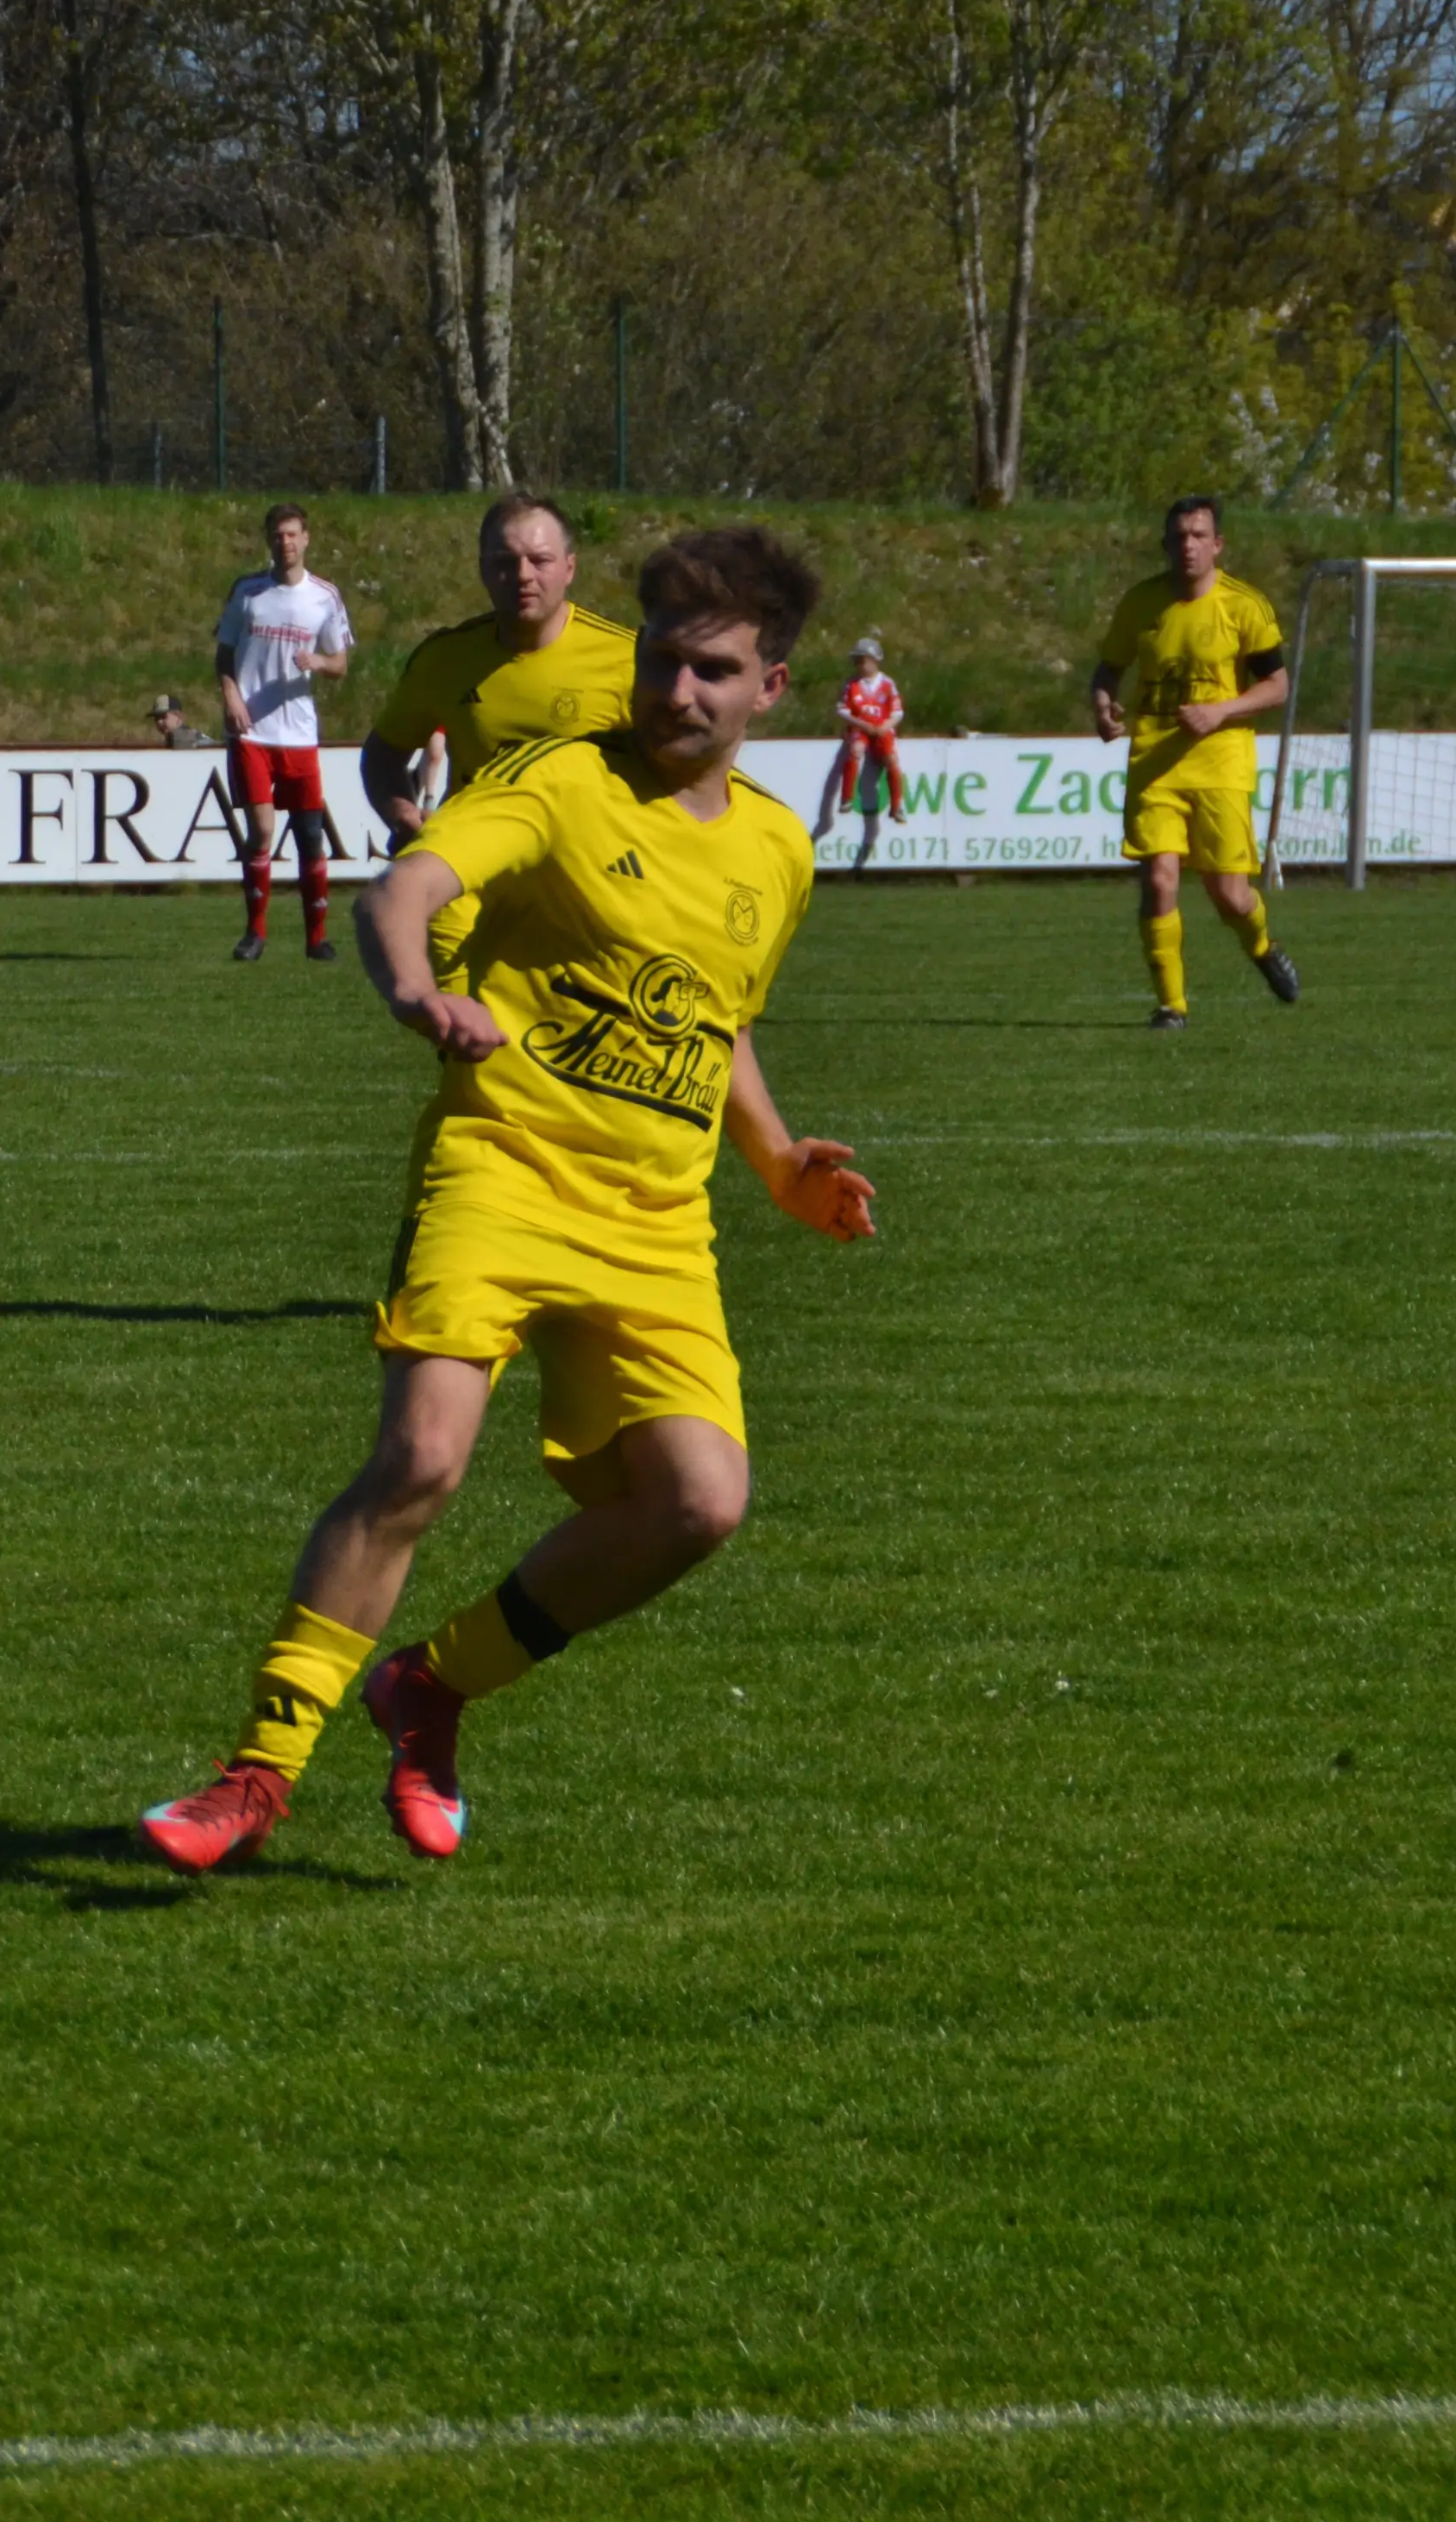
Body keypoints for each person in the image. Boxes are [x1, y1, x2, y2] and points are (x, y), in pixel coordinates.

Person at [140, 526, 879, 1874]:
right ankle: (257, 1772)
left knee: (701, 1504)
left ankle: (435, 1685)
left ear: (771, 689)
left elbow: (717, 1025)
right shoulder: (562, 780)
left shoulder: (778, 851)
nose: (677, 693)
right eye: (662, 661)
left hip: (655, 1216)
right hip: (505, 1162)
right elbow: (409, 888)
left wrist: (776, 1163)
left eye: (713, 672)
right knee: (422, 1457)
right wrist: (419, 990)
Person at [355, 492, 640, 988]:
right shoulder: (445, 659)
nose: (524, 575)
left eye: (540, 560)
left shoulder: (629, 660)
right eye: (505, 562)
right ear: (484, 571)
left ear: (570, 568)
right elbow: (384, 751)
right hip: (467, 894)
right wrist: (404, 816)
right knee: (467, 1043)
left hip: (589, 894)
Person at [1090, 496, 1300, 1027]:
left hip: (1220, 763)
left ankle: (1260, 947)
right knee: (1160, 881)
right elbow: (1108, 669)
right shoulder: (1142, 604)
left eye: (1199, 535)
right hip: (1155, 762)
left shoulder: (1243, 606)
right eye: (1179, 536)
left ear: (1217, 545)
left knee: (1228, 895)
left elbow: (1277, 685)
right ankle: (1171, 1007)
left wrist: (1222, 710)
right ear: (1165, 545)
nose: (1189, 545)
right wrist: (1103, 704)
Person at [212, 504, 355, 960]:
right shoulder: (249, 591)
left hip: (298, 734)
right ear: (269, 540)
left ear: (306, 539)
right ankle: (255, 933)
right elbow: (224, 655)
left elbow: (341, 664)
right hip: (253, 733)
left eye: (293, 534)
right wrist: (231, 696)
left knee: (311, 835)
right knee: (262, 829)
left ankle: (317, 939)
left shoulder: (325, 597)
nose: (285, 543)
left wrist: (319, 662)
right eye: (278, 535)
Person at [819, 637, 908, 868]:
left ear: (875, 660)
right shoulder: (852, 684)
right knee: (856, 749)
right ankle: (846, 798)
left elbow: (898, 712)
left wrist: (885, 726)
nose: (860, 665)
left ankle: (897, 805)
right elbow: (842, 709)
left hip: (882, 728)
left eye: (863, 660)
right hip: (861, 728)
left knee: (891, 760)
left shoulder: (887, 684)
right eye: (857, 661)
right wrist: (859, 723)